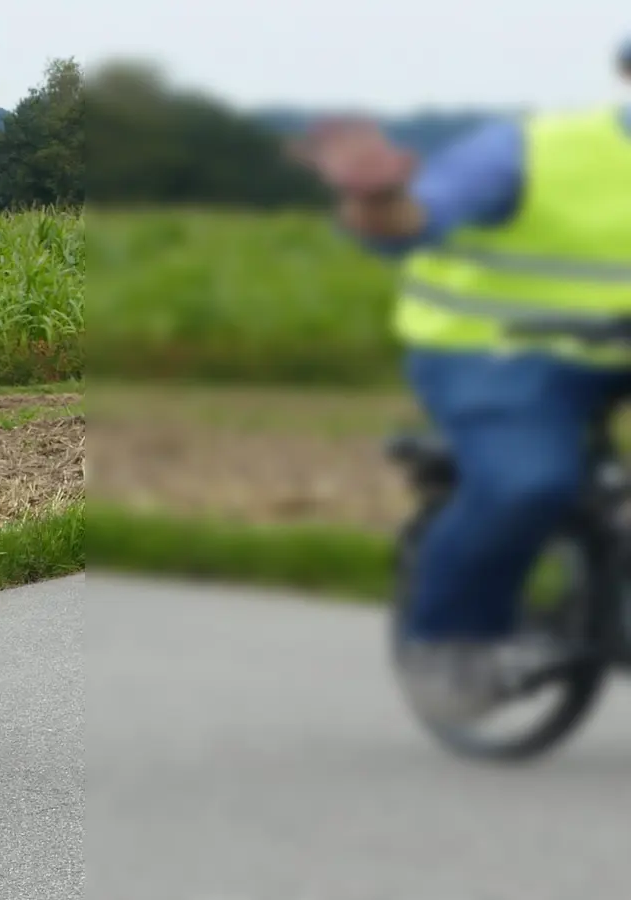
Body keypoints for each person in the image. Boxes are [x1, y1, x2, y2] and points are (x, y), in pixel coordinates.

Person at [287, 64, 631, 723]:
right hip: (496, 350)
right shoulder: (531, 153)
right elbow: (409, 223)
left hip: (615, 349)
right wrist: (379, 196)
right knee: (530, 482)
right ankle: (450, 643)